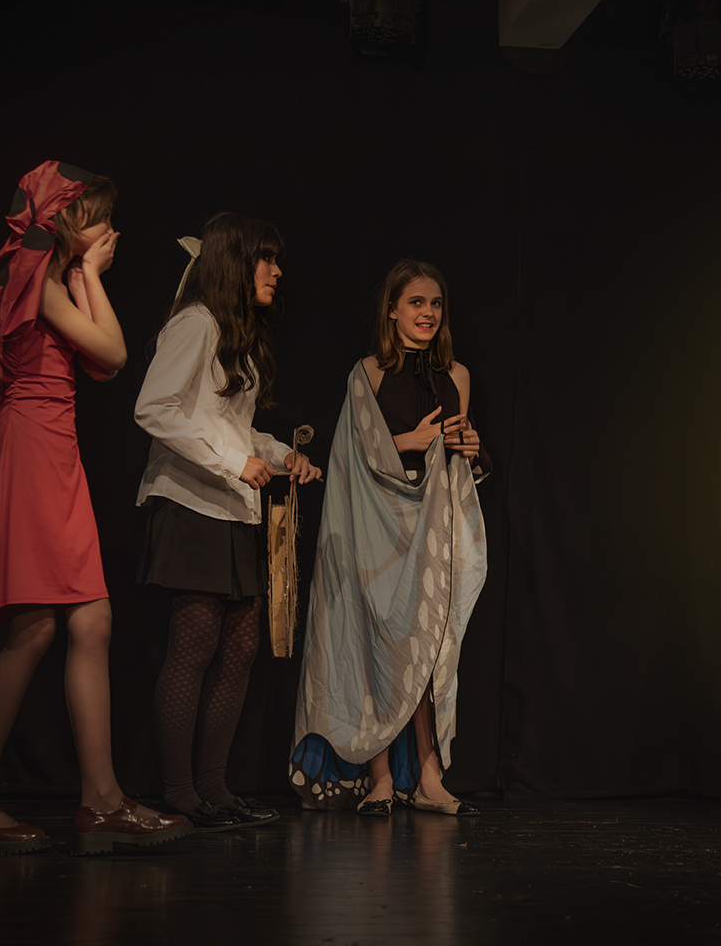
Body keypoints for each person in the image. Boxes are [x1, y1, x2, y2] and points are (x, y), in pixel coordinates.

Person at [0, 161, 190, 857]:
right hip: (30, 447)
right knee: (35, 629)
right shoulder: (32, 275)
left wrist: (84, 275)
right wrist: (90, 274)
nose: (110, 230)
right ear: (68, 218)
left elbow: (103, 365)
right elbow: (112, 349)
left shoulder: (53, 278)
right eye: (99, 217)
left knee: (91, 621)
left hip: (56, 445)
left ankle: (101, 799)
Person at [134, 212, 321, 832]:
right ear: (234, 263)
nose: (277, 271)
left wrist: (278, 455)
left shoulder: (234, 335)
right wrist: (233, 463)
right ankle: (179, 793)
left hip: (232, 506)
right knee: (193, 646)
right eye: (265, 258)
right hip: (192, 504)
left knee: (241, 648)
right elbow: (154, 408)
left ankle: (215, 787)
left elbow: (230, 427)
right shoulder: (195, 322)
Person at [290, 260, 490, 817]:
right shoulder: (369, 373)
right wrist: (409, 441)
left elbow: (458, 460)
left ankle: (429, 777)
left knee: (425, 651)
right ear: (393, 311)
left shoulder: (458, 376)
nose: (428, 313)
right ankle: (380, 780)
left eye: (435, 303)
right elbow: (352, 454)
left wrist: (471, 449)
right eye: (416, 303)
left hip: (432, 533)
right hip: (378, 531)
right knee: (378, 645)